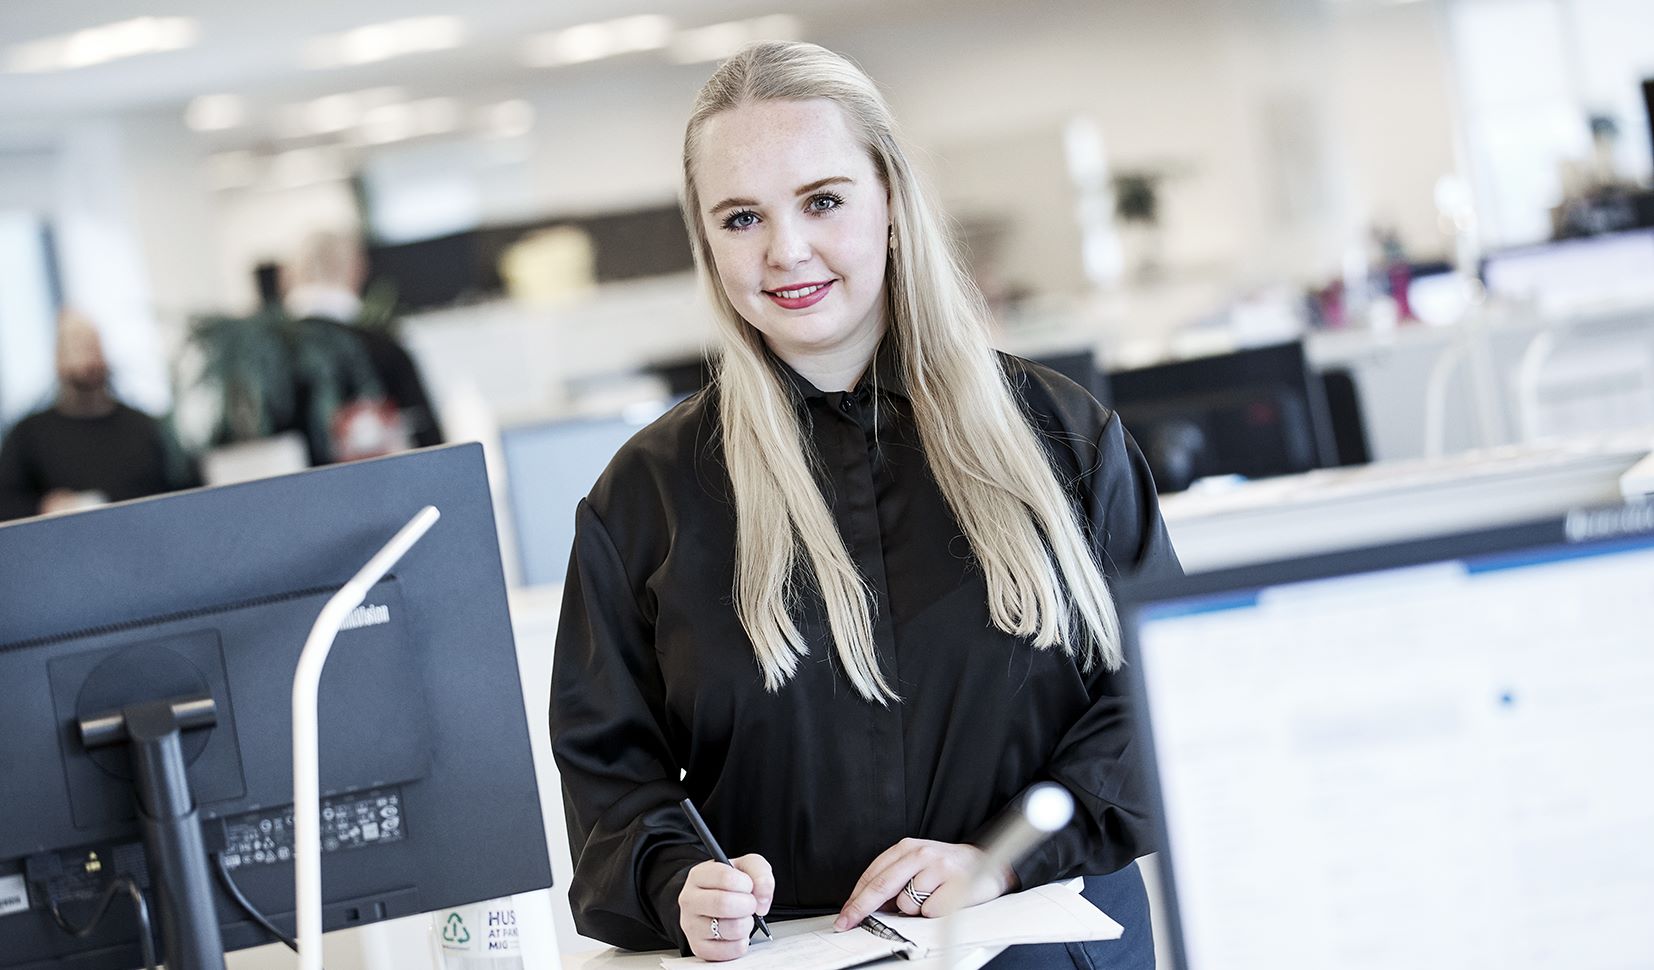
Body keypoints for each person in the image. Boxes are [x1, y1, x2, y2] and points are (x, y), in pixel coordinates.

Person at [549, 42, 1179, 968]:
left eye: (823, 200)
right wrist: (679, 883)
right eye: (739, 217)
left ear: (890, 201)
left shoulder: (1061, 439)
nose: (785, 250)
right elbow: (612, 786)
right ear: (705, 239)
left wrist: (1004, 860)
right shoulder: (647, 497)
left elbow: (1155, 703)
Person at [0, 310, 199, 521]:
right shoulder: (29, 435)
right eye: (75, 346)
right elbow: (6, 502)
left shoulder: (143, 426)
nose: (87, 356)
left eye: (92, 345)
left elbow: (185, 486)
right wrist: (44, 506)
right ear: (58, 357)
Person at [281, 230, 444, 463]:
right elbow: (433, 451)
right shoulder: (385, 351)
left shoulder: (258, 361)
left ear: (288, 275)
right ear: (357, 269)